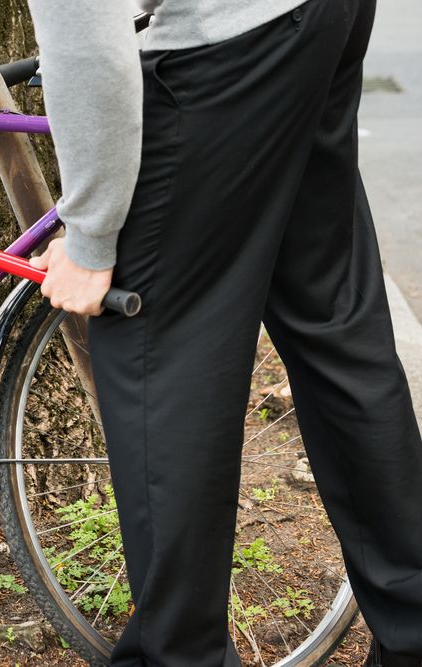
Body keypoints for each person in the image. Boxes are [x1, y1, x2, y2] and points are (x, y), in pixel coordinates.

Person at [25, 0, 422, 665]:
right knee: (333, 322)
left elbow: (87, 32)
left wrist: (93, 238)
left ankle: (178, 655)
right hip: (322, 17)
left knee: (157, 349)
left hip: (225, 45)